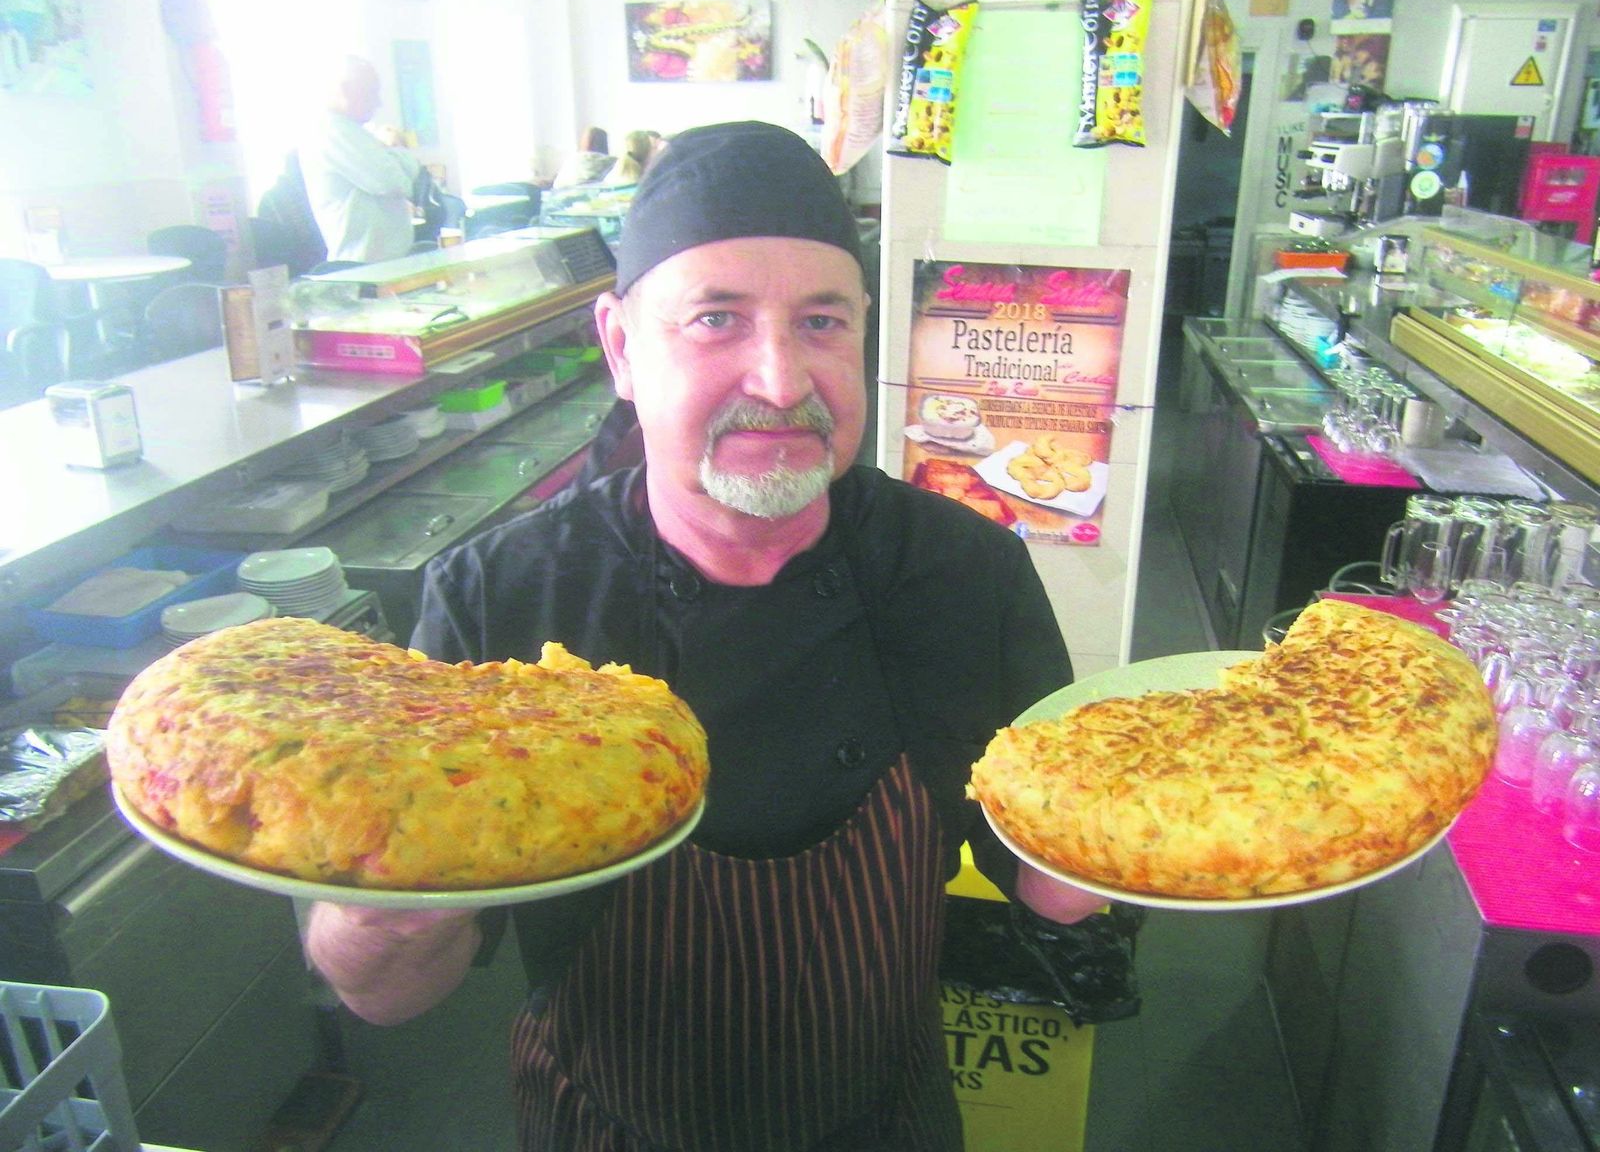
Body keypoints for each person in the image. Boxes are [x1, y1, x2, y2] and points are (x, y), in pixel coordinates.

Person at [306, 120, 1103, 1151]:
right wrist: (381, 905)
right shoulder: (501, 603)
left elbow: (1055, 889)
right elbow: (384, 997)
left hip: (885, 1124)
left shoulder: (963, 571)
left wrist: (1169, 815)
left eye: (821, 323)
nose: (779, 379)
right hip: (606, 1127)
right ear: (620, 347)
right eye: (717, 319)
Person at [298, 55, 420, 263]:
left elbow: (404, 175)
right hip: (364, 267)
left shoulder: (355, 132)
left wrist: (391, 154)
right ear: (345, 90)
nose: (378, 102)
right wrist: (397, 148)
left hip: (383, 263)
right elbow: (394, 183)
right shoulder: (334, 131)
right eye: (371, 92)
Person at [552, 124, 616, 188]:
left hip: (563, 194)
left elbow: (560, 183)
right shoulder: (613, 163)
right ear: (605, 144)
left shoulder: (573, 161)